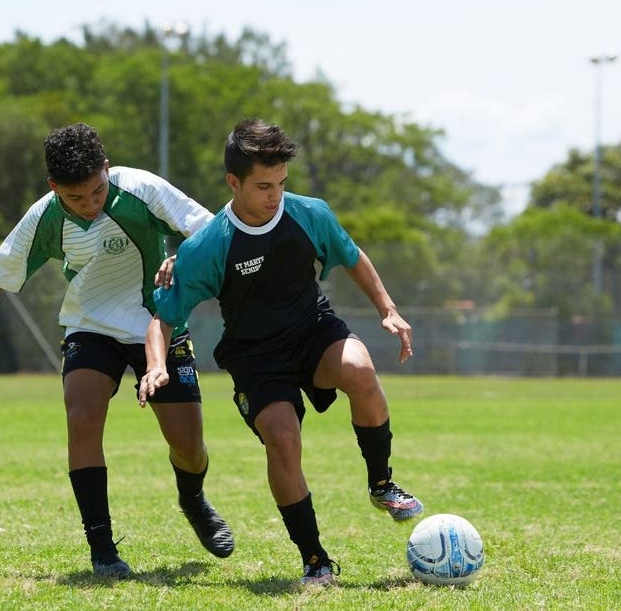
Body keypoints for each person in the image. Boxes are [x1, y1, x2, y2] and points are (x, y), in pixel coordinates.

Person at [0, 122, 234, 578]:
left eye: (97, 192)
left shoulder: (141, 188)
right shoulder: (44, 215)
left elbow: (210, 230)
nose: (89, 206)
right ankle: (103, 550)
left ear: (107, 169)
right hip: (91, 326)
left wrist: (180, 256)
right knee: (82, 417)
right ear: (54, 188)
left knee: (189, 445)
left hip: (159, 325)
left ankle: (193, 498)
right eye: (75, 198)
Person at [140, 117, 423, 587]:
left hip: (312, 328)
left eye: (282, 183)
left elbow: (352, 256)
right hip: (256, 356)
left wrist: (387, 309)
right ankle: (315, 560)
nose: (275, 195)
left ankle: (381, 483)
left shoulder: (310, 214)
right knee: (283, 438)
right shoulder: (208, 246)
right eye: (263, 185)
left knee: (359, 367)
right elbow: (164, 317)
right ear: (234, 183)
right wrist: (154, 365)